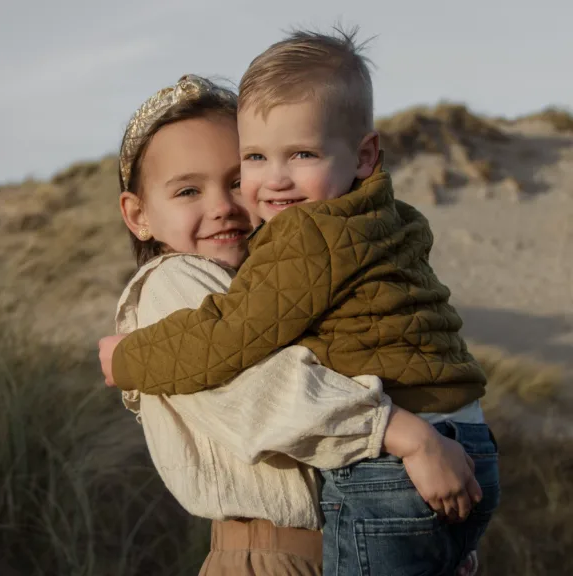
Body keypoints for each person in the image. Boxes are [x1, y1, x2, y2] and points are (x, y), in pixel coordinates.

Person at [101, 29, 499, 576]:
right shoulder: (173, 283)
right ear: (138, 213)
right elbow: (272, 395)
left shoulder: (286, 272)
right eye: (188, 191)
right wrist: (405, 435)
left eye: (238, 179)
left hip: (347, 529)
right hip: (272, 552)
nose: (226, 206)